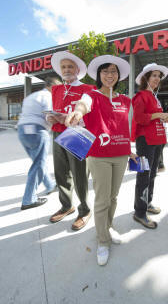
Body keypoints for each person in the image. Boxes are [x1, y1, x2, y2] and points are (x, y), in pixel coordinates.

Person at [65, 55, 137, 266]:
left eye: (113, 71)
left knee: (113, 197)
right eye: (105, 71)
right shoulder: (92, 95)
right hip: (99, 156)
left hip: (121, 155)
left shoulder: (125, 100)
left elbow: (123, 127)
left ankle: (108, 227)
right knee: (102, 199)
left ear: (118, 75)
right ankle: (102, 240)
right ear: (99, 75)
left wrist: (129, 150)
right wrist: (77, 113)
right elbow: (83, 104)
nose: (109, 75)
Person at [47, 51, 94, 230]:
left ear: (77, 69)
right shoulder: (57, 89)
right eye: (64, 67)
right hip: (58, 133)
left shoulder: (87, 89)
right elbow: (56, 109)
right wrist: (51, 118)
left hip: (76, 133)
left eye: (70, 67)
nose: (66, 70)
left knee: (80, 174)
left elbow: (86, 108)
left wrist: (71, 116)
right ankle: (67, 206)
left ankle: (85, 210)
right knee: (61, 173)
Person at [131, 63, 168, 229]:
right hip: (145, 141)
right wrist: (159, 115)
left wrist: (164, 118)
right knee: (143, 176)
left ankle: (147, 203)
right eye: (153, 75)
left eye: (158, 76)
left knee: (153, 174)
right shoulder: (140, 96)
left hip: (157, 140)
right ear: (145, 78)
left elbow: (154, 118)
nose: (157, 79)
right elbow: (140, 118)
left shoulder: (154, 97)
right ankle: (139, 213)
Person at [18, 76, 61, 210]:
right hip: (38, 130)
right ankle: (28, 199)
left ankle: (49, 185)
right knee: (38, 164)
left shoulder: (32, 96)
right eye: (58, 87)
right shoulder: (48, 97)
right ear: (53, 86)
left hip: (22, 131)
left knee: (38, 161)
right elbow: (50, 115)